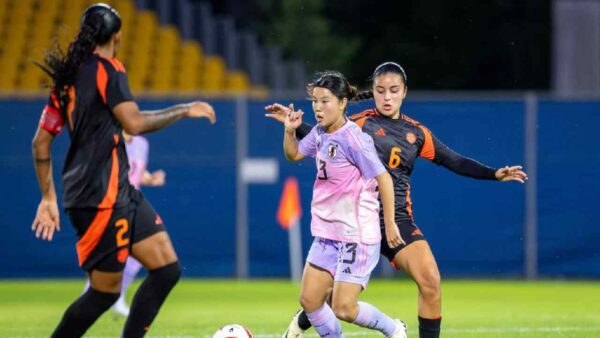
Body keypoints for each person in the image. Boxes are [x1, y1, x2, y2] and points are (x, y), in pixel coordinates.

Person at [266, 62, 527, 338]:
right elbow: (327, 135)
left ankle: (311, 318)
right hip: (353, 219)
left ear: (404, 92)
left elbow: (454, 160)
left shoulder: (416, 134)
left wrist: (493, 174)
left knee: (430, 281)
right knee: (330, 298)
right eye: (380, 91)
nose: (386, 97)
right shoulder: (360, 123)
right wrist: (293, 128)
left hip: (395, 220)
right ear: (373, 93)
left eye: (393, 90)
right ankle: (308, 316)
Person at [30, 3, 216, 337]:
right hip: (99, 194)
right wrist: (184, 109)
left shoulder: (67, 78)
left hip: (118, 190)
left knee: (166, 268)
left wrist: (47, 197)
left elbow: (40, 142)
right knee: (104, 293)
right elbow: (134, 122)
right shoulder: (108, 69)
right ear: (117, 37)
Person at [275, 71, 407, 338]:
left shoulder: (354, 139)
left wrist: (390, 223)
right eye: (315, 101)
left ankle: (393, 328)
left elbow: (384, 179)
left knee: (344, 308)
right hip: (327, 234)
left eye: (325, 101)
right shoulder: (321, 133)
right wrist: (289, 131)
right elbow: (295, 154)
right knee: (310, 301)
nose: (318, 108)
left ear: (342, 102)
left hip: (355, 235)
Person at [82, 131, 166, 318]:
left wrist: (150, 178)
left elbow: (136, 171)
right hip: (109, 205)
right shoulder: (109, 141)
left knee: (139, 254)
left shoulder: (141, 144)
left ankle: (115, 296)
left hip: (132, 205)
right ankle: (89, 297)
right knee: (109, 255)